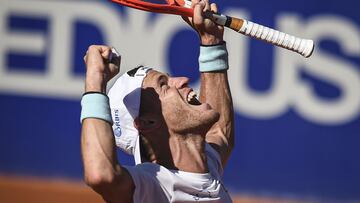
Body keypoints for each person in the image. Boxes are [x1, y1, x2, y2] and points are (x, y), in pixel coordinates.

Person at [80, 0, 234, 202]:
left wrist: (210, 40)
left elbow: (219, 131)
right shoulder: (153, 185)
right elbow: (101, 175)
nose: (182, 80)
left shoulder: (203, 164)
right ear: (147, 122)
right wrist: (94, 81)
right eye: (164, 85)